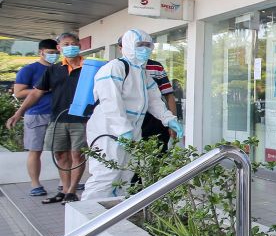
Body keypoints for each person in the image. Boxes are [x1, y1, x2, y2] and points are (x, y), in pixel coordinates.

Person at [86, 30, 183, 199]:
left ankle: (115, 216)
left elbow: (154, 100)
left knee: (126, 175)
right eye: (140, 45)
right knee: (105, 176)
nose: (144, 49)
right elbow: (110, 102)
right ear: (128, 45)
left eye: (148, 45)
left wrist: (169, 119)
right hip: (108, 130)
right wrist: (122, 129)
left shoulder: (142, 72)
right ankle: (89, 219)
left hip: (132, 130)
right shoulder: (114, 68)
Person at [5, 33, 87, 203]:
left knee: (77, 156)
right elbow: (36, 92)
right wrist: (18, 113)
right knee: (60, 156)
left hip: (81, 119)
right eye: (66, 44)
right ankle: (64, 191)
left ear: (79, 45)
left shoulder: (89, 67)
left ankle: (72, 191)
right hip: (58, 118)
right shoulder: (53, 69)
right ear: (59, 48)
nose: (70, 46)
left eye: (73, 43)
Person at [11, 39, 58, 196]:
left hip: (57, 114)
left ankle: (65, 183)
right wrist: (43, 88)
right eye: (51, 53)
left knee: (62, 150)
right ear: (41, 52)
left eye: (56, 53)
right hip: (36, 114)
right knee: (35, 150)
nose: (54, 56)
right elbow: (18, 93)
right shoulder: (29, 69)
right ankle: (35, 184)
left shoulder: (60, 69)